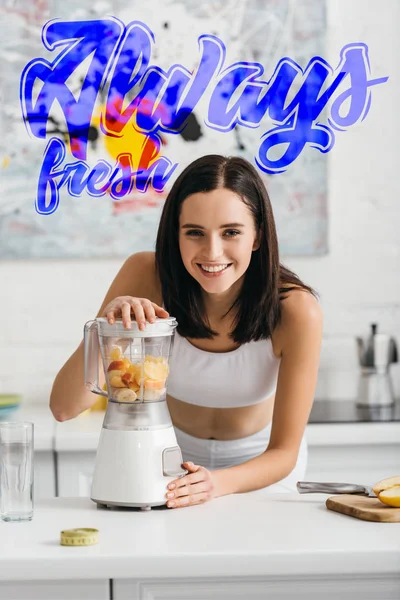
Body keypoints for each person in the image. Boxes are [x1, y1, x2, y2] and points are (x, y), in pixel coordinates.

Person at [50, 154, 323, 509]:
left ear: (257, 236)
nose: (212, 252)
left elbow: (283, 453)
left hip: (259, 475)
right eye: (194, 232)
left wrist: (215, 484)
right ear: (174, 234)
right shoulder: (145, 274)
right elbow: (65, 407)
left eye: (231, 232)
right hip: (164, 466)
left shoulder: (297, 311)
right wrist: (108, 329)